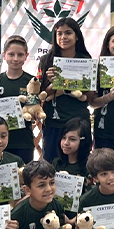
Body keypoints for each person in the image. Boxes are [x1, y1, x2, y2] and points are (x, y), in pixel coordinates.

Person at [38, 18, 96, 159]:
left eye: (68, 33)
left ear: (77, 36)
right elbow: (39, 95)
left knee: (79, 164)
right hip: (54, 121)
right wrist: (53, 84)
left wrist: (83, 83)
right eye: (59, 33)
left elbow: (90, 97)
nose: (63, 37)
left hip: (79, 121)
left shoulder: (87, 61)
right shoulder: (46, 60)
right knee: (51, 164)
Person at [0, 35, 36, 165]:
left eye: (20, 55)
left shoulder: (32, 82)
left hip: (23, 141)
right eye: (11, 54)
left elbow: (37, 108)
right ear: (4, 55)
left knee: (24, 178)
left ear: (26, 56)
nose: (15, 59)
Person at [52, 117, 93, 224]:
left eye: (72, 139)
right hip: (56, 218)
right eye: (63, 137)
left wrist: (74, 220)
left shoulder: (90, 166)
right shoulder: (57, 163)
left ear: (83, 141)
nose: (66, 143)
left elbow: (93, 198)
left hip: (82, 221)